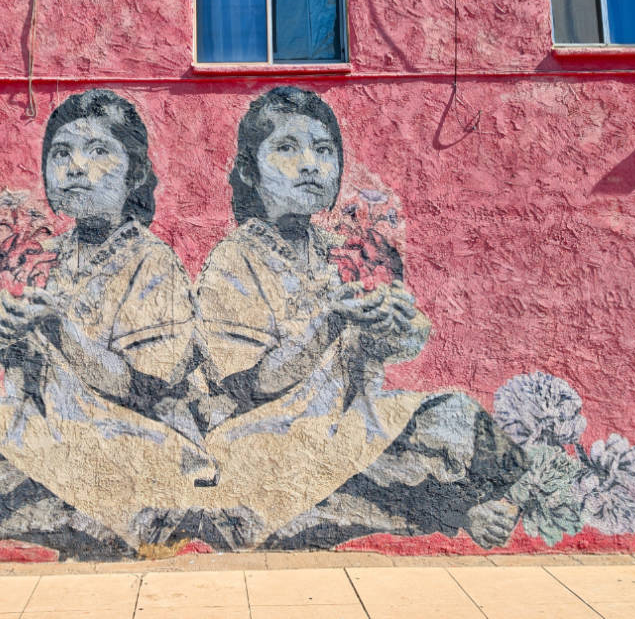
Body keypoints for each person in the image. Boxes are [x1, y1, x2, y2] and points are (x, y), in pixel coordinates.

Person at [0, 89, 215, 558]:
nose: (75, 166)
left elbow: (145, 387)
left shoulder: (152, 262)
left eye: (99, 151)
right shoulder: (43, 257)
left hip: (133, 437)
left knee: (91, 482)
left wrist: (58, 329)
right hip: (43, 428)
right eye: (61, 153)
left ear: (134, 174)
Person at [193, 86, 525, 550]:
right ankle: (458, 509)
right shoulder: (233, 261)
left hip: (352, 423)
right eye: (287, 148)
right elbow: (250, 386)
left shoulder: (343, 252)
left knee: (454, 414)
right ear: (250, 171)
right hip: (266, 433)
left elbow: (400, 348)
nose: (310, 163)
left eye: (324, 150)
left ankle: (464, 503)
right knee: (299, 472)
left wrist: (395, 322)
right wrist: (328, 323)